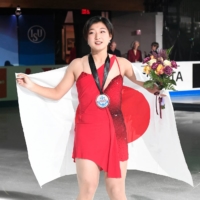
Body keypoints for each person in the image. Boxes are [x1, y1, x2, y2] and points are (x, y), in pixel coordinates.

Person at [16, 16, 159, 200]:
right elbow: (58, 92)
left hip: (116, 133)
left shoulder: (121, 64)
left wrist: (157, 84)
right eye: (92, 33)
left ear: (110, 37)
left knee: (116, 191)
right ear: (86, 38)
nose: (97, 36)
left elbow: (141, 82)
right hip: (87, 132)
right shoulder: (78, 64)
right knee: (87, 190)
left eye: (102, 32)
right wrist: (31, 85)